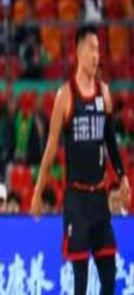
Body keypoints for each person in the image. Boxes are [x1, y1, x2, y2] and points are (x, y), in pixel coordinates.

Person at [31, 24, 131, 295]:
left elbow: (111, 142)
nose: (96, 55)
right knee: (81, 283)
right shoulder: (66, 96)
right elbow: (50, 148)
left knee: (109, 276)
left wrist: (123, 176)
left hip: (99, 198)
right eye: (91, 49)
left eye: (99, 50)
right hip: (76, 200)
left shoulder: (104, 93)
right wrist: (38, 192)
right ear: (78, 52)